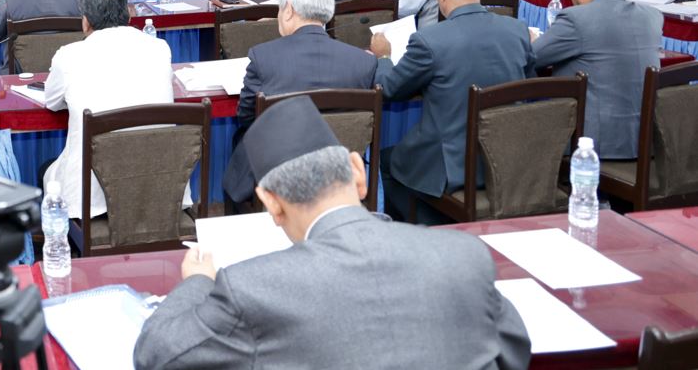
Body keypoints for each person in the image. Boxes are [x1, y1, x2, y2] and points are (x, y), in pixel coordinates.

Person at [135, 97, 530, 370]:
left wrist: (198, 283)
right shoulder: (464, 255)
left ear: (271, 204)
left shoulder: (251, 289)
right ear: (358, 172)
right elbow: (513, 350)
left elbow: (157, 353)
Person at [371, 0, 535, 224]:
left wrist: (384, 57)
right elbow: (529, 82)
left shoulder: (430, 40)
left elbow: (388, 89)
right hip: (506, 158)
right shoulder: (517, 30)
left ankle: (432, 227)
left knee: (384, 162)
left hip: (450, 166)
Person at [221, 0, 378, 205]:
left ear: (288, 9)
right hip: (337, 173)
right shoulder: (364, 62)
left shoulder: (263, 57)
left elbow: (246, 116)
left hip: (277, 175)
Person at [42, 0, 176, 218]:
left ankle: (61, 239)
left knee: (48, 172)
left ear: (86, 21)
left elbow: (51, 102)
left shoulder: (69, 55)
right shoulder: (159, 48)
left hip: (92, 199)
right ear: (129, 13)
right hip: (157, 189)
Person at [534, 0, 661, 159]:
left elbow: (532, 57)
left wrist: (531, 39)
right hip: (647, 142)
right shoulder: (652, 16)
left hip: (593, 145)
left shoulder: (576, 18)